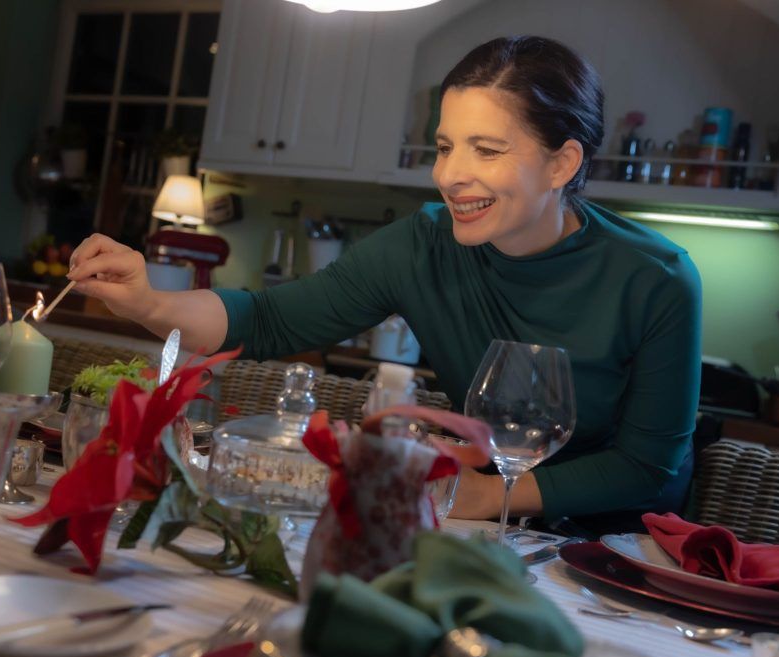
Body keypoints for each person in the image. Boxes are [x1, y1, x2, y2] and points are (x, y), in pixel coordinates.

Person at [67, 36, 702, 535]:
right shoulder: (423, 243)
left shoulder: (657, 279)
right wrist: (149, 301)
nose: (451, 175)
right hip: (470, 522)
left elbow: (647, 468)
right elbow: (267, 321)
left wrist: (487, 494)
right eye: (445, 146)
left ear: (562, 162)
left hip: (617, 551)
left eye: (486, 149)